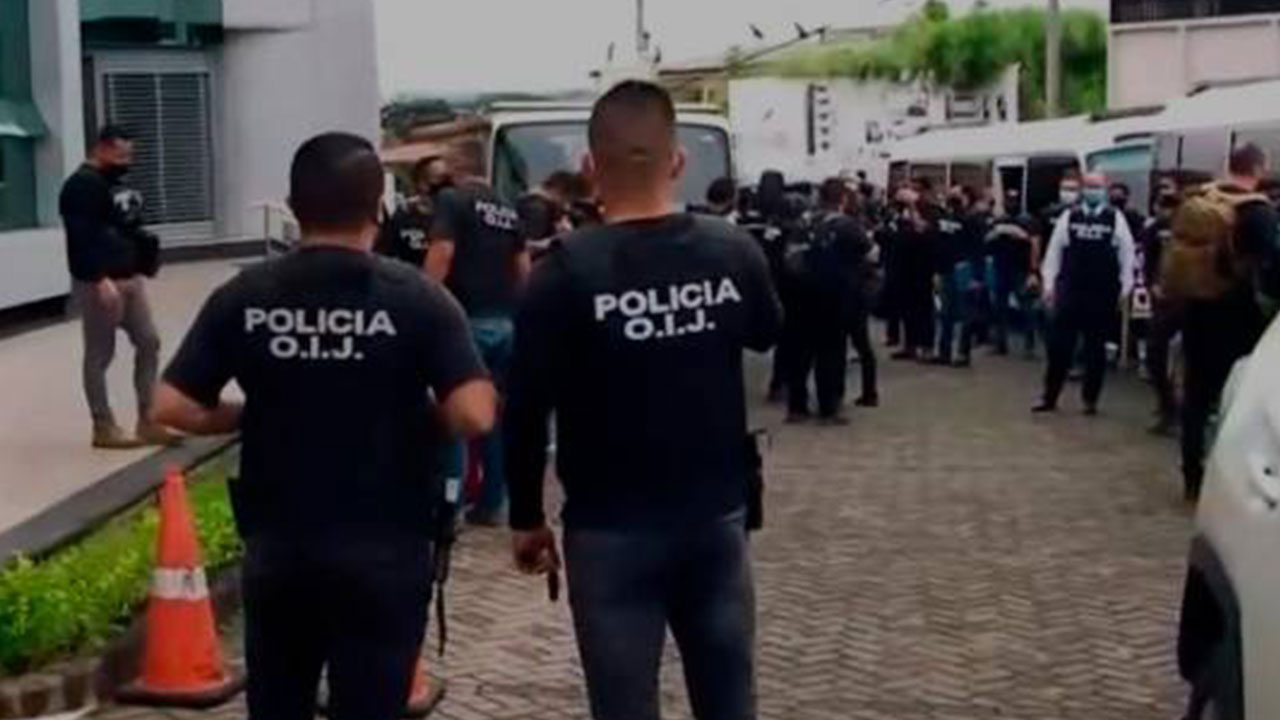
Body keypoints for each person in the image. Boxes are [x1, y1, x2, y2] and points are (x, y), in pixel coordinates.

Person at [149, 132, 497, 720]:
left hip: (281, 546)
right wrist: (415, 417)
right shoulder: (418, 298)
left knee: (280, 701)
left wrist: (253, 413)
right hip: (386, 545)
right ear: (377, 209)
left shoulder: (246, 295)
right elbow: (474, 412)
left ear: (293, 206)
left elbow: (169, 405)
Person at [504, 81, 782, 720]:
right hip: (715, 515)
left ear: (590, 166)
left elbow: (525, 407)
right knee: (729, 698)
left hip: (608, 527)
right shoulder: (730, 250)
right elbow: (767, 332)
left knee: (623, 704)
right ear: (677, 161)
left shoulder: (562, 274)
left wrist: (526, 517)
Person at [1162, 144, 1278, 502]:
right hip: (1239, 314)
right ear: (1259, 169)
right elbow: (1273, 265)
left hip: (1196, 308)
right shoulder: (1257, 211)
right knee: (1240, 399)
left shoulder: (1200, 199)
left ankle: (1191, 476)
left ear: (1229, 166)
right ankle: (1228, 479)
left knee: (1196, 396)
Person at [425, 155, 530, 526]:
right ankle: (492, 503)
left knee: (455, 414)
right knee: (493, 416)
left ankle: (448, 506)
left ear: (455, 171)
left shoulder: (452, 201)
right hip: (506, 322)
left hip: (465, 320)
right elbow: (523, 265)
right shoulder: (507, 209)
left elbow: (443, 252)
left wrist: (423, 301)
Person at [60, 126, 177, 449]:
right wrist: (99, 279)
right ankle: (103, 425)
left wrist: (143, 262)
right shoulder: (81, 186)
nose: (126, 161)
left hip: (129, 278)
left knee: (149, 341)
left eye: (129, 155)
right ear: (102, 149)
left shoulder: (115, 184)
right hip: (102, 283)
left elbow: (126, 228)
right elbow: (80, 238)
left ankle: (148, 419)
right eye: (121, 154)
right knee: (100, 353)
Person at [1034, 173, 1137, 415]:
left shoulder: (1115, 218)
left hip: (1101, 292)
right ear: (1082, 189)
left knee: (1095, 350)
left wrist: (1125, 289)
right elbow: (1054, 254)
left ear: (1104, 189)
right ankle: (1050, 396)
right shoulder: (1069, 216)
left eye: (1097, 186)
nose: (1093, 191)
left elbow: (1127, 255)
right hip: (1071, 289)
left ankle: (1090, 400)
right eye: (1089, 186)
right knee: (1060, 347)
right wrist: (1049, 286)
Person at [786, 178, 873, 424]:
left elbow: (790, 255)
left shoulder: (803, 222)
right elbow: (871, 253)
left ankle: (797, 407)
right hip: (835, 296)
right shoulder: (847, 225)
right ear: (843, 199)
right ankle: (828, 407)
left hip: (801, 294)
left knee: (801, 352)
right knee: (831, 352)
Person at [1142, 190, 1183, 436]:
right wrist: (1152, 285)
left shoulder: (1193, 229)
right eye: (1163, 205)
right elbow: (1147, 264)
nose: (1167, 211)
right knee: (1154, 354)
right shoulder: (1153, 230)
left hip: (1190, 299)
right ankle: (1168, 406)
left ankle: (1183, 410)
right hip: (1164, 299)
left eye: (1172, 205)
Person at [987, 186, 1042, 358]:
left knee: (1026, 308)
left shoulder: (1029, 221)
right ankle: (1000, 343)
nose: (1011, 203)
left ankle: (1030, 346)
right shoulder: (999, 221)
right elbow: (986, 241)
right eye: (1009, 200)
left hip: (1021, 269)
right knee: (999, 308)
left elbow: (1035, 245)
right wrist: (996, 233)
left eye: (1014, 200)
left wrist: (1033, 271)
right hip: (1001, 267)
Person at [933, 186, 982, 367]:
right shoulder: (945, 218)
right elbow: (939, 243)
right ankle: (944, 352)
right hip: (946, 268)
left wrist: (977, 276)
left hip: (965, 269)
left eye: (956, 194)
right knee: (946, 312)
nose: (952, 196)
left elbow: (978, 249)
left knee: (965, 313)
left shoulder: (973, 220)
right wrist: (937, 270)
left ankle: (962, 353)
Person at [887, 185, 937, 361]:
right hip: (903, 267)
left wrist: (912, 206)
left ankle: (927, 347)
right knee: (907, 308)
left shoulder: (929, 211)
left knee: (923, 308)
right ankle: (910, 345)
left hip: (921, 267)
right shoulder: (900, 212)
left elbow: (922, 229)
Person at [377, 156, 452, 268]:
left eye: (447, 179)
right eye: (439, 179)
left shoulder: (455, 216)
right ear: (421, 183)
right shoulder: (403, 217)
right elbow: (387, 255)